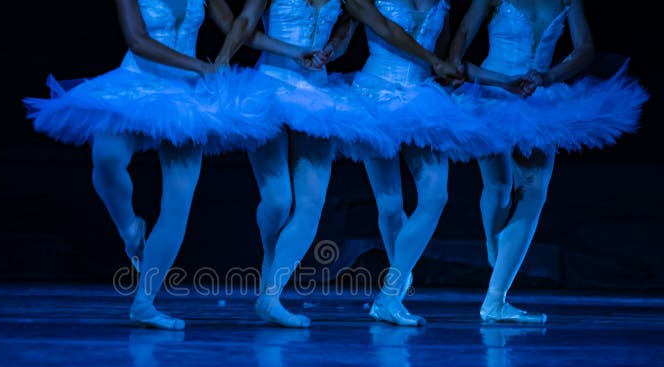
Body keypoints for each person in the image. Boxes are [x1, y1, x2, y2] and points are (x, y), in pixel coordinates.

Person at [25, 0, 318, 329]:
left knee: (178, 199)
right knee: (107, 157)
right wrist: (201, 66)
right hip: (135, 83)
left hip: (184, 96)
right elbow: (138, 41)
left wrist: (290, 50)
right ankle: (130, 229)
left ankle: (144, 302)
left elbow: (238, 27)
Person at [215, 0, 461, 328]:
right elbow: (245, 24)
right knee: (277, 200)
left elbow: (345, 32)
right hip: (271, 87)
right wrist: (219, 64)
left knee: (312, 203)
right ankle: (269, 267)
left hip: (317, 94)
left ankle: (270, 296)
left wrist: (331, 49)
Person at [448, 0, 647, 323]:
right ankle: (493, 242)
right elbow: (464, 34)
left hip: (538, 98)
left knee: (533, 191)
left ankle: (495, 300)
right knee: (498, 187)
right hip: (491, 94)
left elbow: (584, 49)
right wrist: (479, 74)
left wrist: (548, 75)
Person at [317, 0, 500, 326]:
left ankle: (390, 291)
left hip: (422, 99)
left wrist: (449, 69)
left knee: (436, 196)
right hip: (375, 96)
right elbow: (386, 29)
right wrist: (330, 49)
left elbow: (442, 55)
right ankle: (397, 287)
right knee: (389, 203)